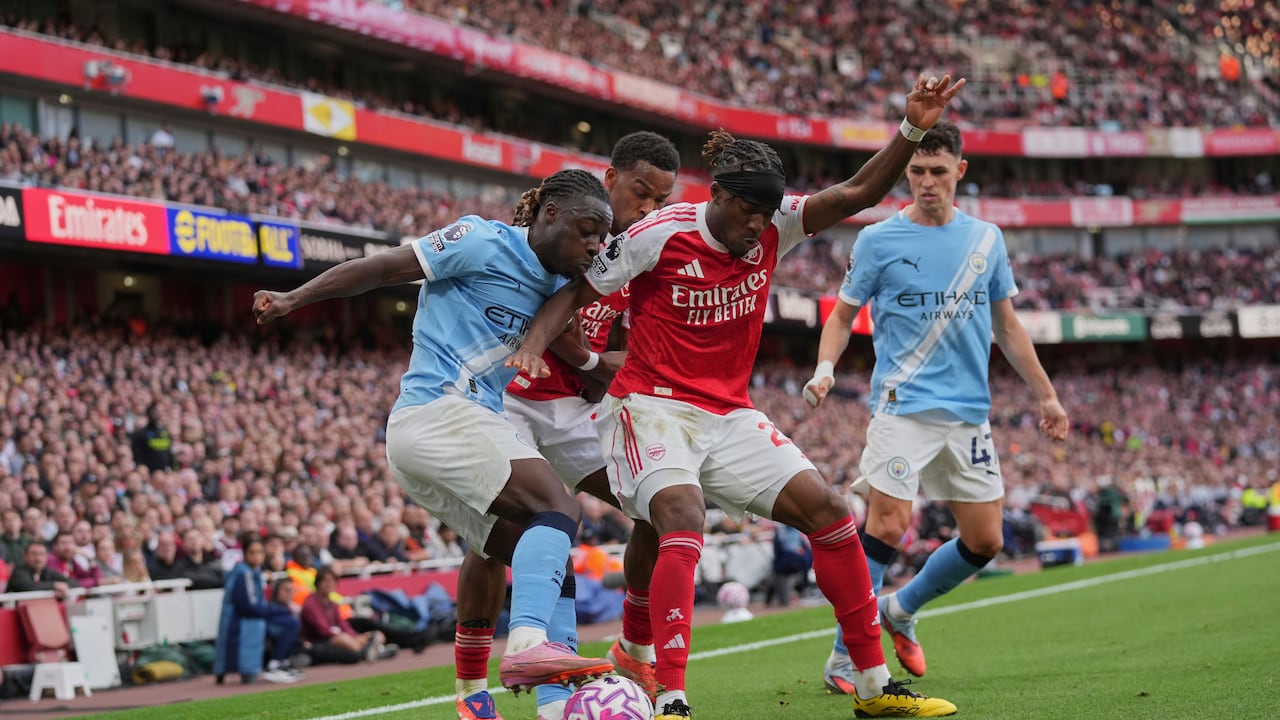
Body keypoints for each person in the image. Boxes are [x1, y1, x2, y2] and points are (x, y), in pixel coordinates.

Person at [508, 73, 966, 720]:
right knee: (680, 514)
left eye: (764, 214)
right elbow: (575, 294)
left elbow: (861, 191)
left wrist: (912, 128)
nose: (756, 227)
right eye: (746, 212)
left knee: (832, 514)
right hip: (650, 406)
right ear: (717, 195)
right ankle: (670, 699)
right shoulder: (658, 233)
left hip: (728, 412)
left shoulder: (777, 221)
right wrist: (536, 341)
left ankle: (871, 688)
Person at [252, 168, 618, 695]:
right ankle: (526, 648)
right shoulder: (482, 239)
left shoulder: (560, 288)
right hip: (438, 410)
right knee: (560, 509)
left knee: (537, 554)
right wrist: (292, 298)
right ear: (550, 214)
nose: (594, 244)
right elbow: (380, 268)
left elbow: (583, 363)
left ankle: (491, 700)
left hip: (444, 431)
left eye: (601, 237)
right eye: (586, 230)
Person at [801, 119, 1070, 688]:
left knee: (986, 541)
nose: (926, 182)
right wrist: (825, 369)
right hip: (902, 406)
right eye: (917, 171)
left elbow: (1007, 325)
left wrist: (1046, 395)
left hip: (968, 412)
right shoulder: (877, 240)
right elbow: (844, 315)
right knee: (889, 523)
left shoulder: (986, 239)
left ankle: (901, 610)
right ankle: (845, 657)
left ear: (959, 172)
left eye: (937, 172)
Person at [452, 130, 679, 720]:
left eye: (660, 199)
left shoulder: (644, 252)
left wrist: (584, 361)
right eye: (640, 192)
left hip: (576, 411)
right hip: (508, 401)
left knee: (657, 502)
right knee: (496, 539)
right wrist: (578, 356)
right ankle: (473, 692)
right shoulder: (563, 232)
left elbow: (624, 361)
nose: (649, 208)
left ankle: (632, 646)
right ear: (610, 179)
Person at [213, 535, 304, 685]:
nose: (257, 556)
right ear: (245, 553)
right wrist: (278, 610)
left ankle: (281, 661)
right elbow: (249, 607)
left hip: (253, 615)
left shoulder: (253, 571)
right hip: (243, 620)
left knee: (291, 621)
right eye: (252, 552)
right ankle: (274, 664)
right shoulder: (244, 573)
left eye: (260, 552)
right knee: (289, 622)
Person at [300, 566, 394, 665]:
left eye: (332, 581)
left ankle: (369, 651)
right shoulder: (311, 604)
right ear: (318, 583)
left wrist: (356, 637)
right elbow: (323, 630)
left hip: (338, 637)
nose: (329, 584)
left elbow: (343, 624)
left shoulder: (332, 604)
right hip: (320, 642)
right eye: (325, 581)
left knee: (377, 634)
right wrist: (347, 636)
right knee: (343, 639)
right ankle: (370, 652)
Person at [6, 541, 79, 598]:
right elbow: (29, 587)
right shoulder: (19, 571)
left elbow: (74, 583)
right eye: (34, 554)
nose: (38, 558)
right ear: (25, 556)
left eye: (41, 554)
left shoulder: (46, 571)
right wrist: (54, 586)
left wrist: (63, 587)